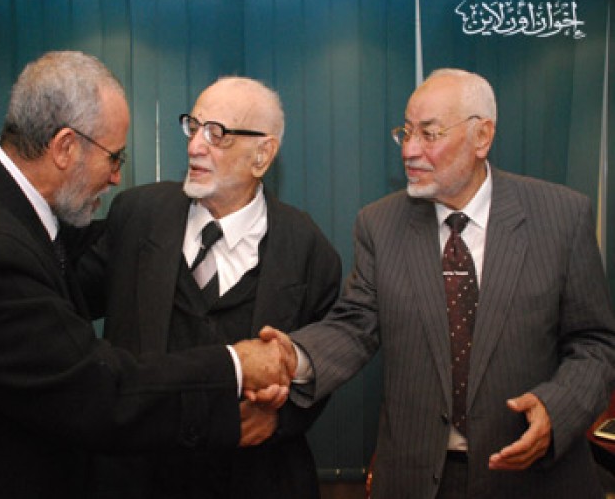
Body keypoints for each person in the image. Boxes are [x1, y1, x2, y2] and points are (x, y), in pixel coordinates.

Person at [0, 51, 291, 499]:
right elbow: (97, 392)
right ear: (65, 148)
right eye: (115, 157)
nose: (116, 177)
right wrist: (236, 365)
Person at [261, 68, 615, 498]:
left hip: (535, 477)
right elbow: (354, 325)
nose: (409, 150)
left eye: (429, 134)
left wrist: (558, 410)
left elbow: (595, 343)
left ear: (482, 136)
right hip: (416, 477)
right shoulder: (379, 224)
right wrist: (295, 357)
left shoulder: (561, 216)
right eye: (406, 132)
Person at [79, 76, 341, 499]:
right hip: (139, 476)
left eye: (216, 133)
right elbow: (63, 296)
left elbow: (325, 362)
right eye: (194, 127)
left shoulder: (308, 248)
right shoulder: (137, 216)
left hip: (256, 478)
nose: (195, 146)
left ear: (262, 154)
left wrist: (281, 418)